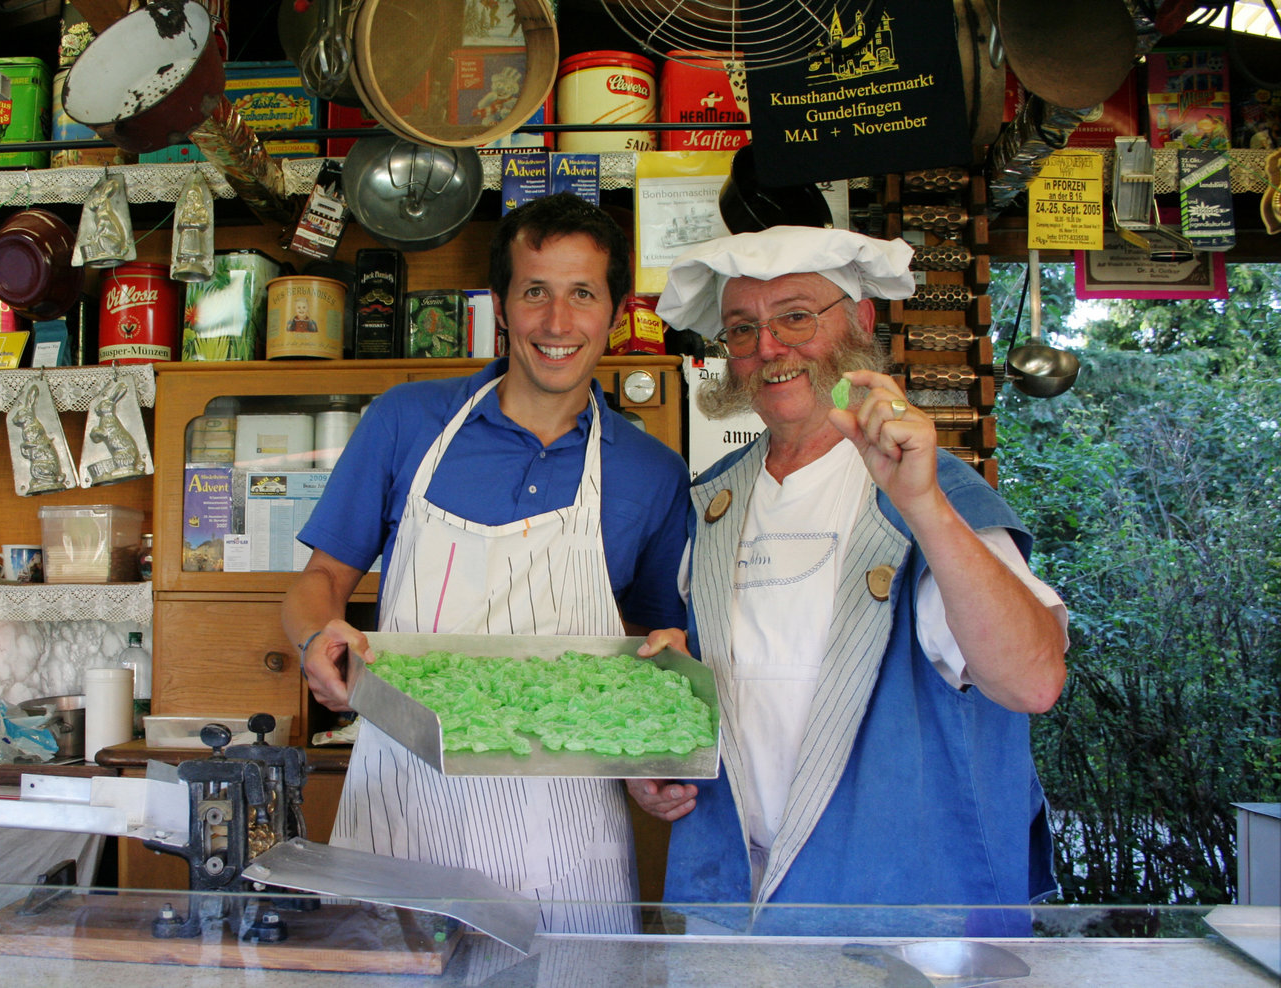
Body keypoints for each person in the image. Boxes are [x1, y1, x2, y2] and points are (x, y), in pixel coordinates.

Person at [629, 226, 1069, 936]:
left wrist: (924, 506)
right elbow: (717, 679)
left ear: (860, 321)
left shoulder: (939, 495)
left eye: (796, 317)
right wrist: (660, 755)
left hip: (902, 921)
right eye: (743, 329)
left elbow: (1033, 683)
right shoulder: (711, 502)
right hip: (732, 911)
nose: (770, 347)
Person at [281, 192, 691, 934]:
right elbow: (320, 581)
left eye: (582, 294)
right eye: (535, 292)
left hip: (567, 838)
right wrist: (317, 638)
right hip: (403, 809)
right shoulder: (407, 421)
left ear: (614, 311)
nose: (557, 323)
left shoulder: (652, 473)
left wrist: (655, 759)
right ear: (501, 306)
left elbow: (654, 648)